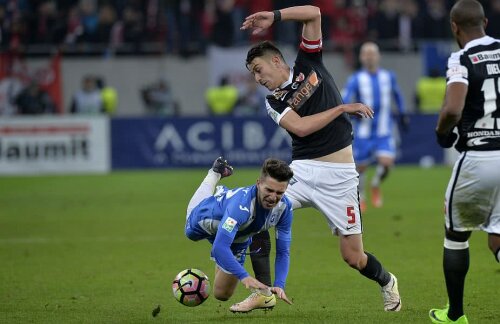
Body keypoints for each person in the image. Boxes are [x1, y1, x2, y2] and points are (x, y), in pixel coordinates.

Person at [234, 5, 401, 313]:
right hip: (302, 172)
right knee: (257, 214)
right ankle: (263, 292)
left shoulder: (308, 61)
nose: (257, 78)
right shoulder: (273, 102)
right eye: (253, 74)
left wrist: (275, 16)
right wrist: (341, 108)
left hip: (341, 177)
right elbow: (300, 127)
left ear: (275, 61)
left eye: (258, 70)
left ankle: (387, 281)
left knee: (354, 257)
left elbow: (313, 13)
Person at [429, 1, 500, 323]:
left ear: (454, 27)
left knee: (456, 233)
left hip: (479, 157)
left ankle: (455, 314)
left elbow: (453, 109)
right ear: (485, 21)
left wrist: (443, 133)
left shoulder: (461, 58)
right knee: (497, 236)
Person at [185, 156, 294, 310]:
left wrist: (279, 284)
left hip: (238, 236)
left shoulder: (284, 208)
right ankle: (215, 173)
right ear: (258, 183)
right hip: (204, 220)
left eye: (279, 192)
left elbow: (283, 251)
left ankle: (224, 258)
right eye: (269, 190)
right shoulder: (241, 208)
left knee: (222, 294)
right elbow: (219, 247)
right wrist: (245, 277)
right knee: (191, 231)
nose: (273, 197)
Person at [342, 41, 409, 212]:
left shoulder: (388, 76)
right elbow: (345, 100)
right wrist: (347, 111)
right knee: (361, 167)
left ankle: (376, 184)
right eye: (367, 53)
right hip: (363, 131)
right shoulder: (356, 78)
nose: (370, 56)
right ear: (361, 57)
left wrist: (403, 114)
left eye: (373, 53)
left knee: (386, 163)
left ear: (378, 56)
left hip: (384, 130)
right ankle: (361, 196)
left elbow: (398, 95)